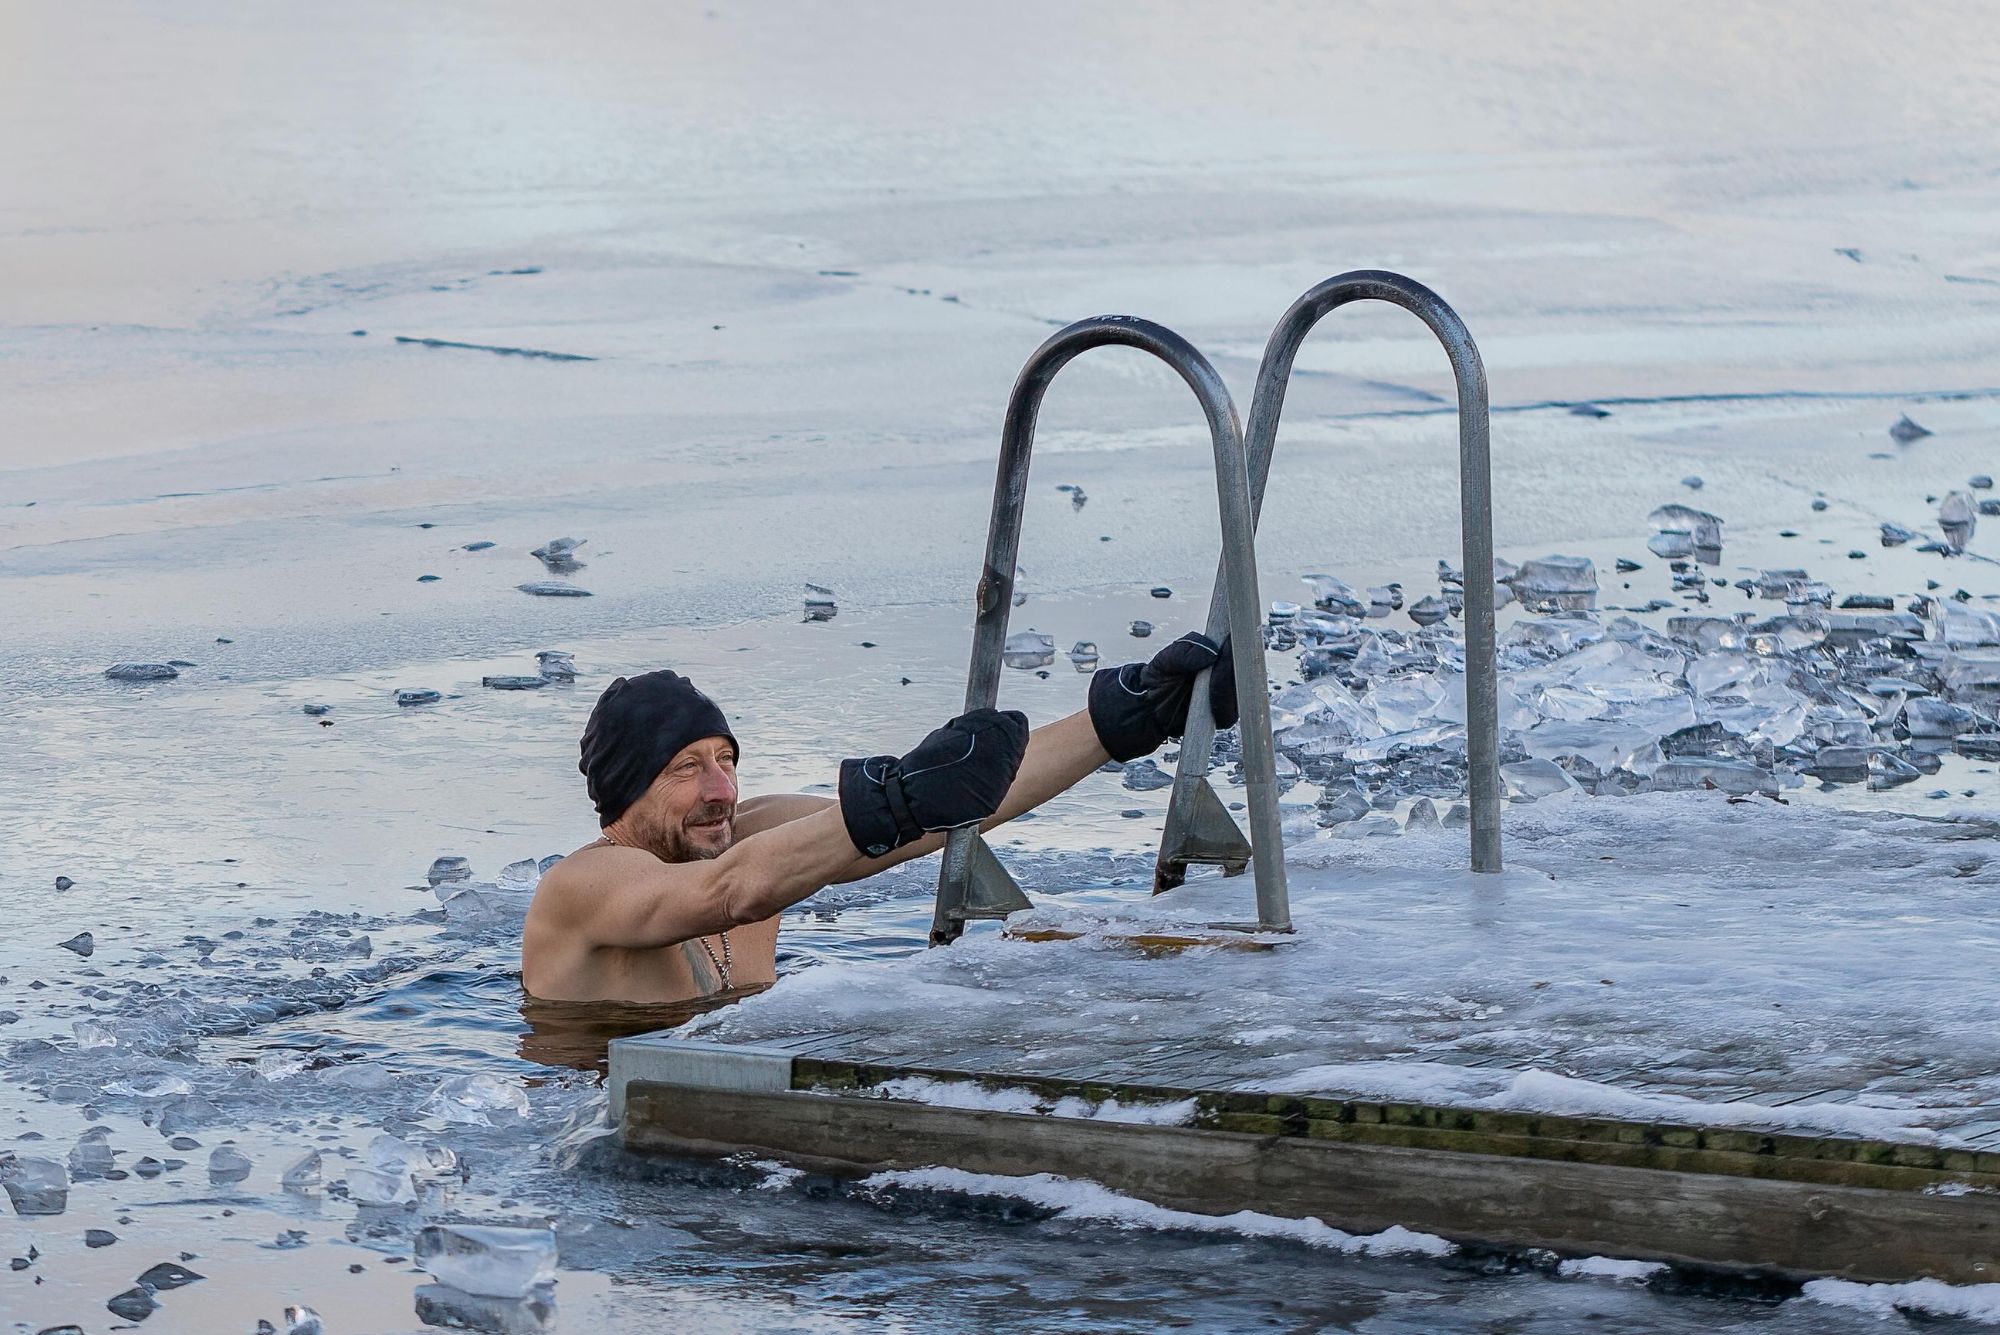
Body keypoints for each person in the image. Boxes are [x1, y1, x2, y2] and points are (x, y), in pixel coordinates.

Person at [521, 633, 1239, 1004]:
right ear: (628, 788)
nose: (721, 789)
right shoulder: (585, 885)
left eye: (726, 759)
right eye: (686, 768)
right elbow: (731, 892)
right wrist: (897, 796)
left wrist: (1126, 719)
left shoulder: (749, 837)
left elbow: (944, 814)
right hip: (610, 1147)